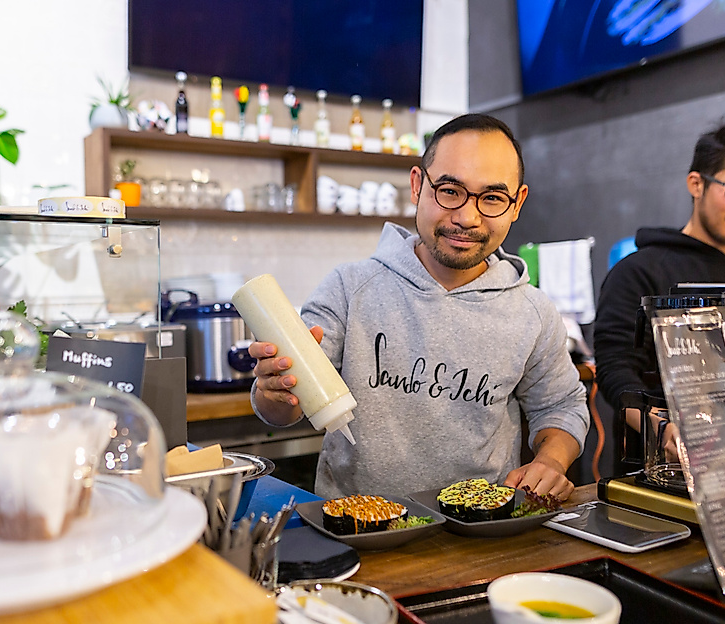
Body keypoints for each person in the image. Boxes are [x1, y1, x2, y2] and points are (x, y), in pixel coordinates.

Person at [247, 114, 589, 501]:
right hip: (357, 528)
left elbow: (562, 405)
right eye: (449, 190)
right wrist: (274, 393)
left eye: (492, 198)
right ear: (416, 185)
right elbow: (285, 408)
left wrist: (551, 462)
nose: (467, 217)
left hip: (480, 532)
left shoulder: (533, 310)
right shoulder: (349, 288)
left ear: (516, 203)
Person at [594, 120, 725, 460]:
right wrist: (663, 427)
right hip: (662, 467)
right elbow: (615, 371)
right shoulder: (637, 272)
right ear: (696, 184)